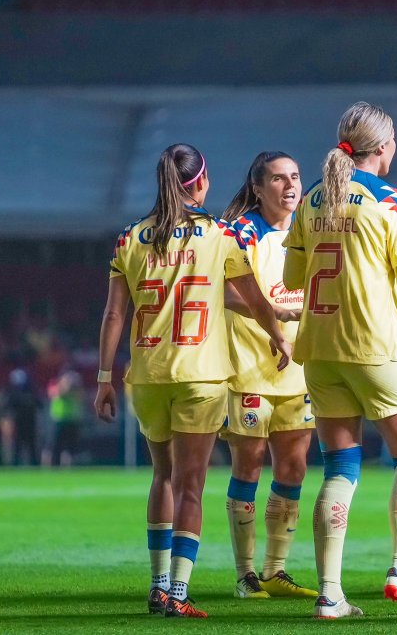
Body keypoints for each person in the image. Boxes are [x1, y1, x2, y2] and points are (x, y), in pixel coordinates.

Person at [282, 101, 397, 619]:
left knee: (339, 467)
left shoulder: (312, 199)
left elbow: (296, 281)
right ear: (384, 146)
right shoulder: (393, 203)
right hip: (375, 348)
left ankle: (329, 594)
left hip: (319, 351)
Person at [94, 143, 293, 618]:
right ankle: (178, 594)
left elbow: (114, 314)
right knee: (192, 485)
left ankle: (157, 584)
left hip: (147, 376)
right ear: (200, 182)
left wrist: (104, 378)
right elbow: (255, 297)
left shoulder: (130, 238)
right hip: (200, 376)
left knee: (162, 477)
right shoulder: (219, 235)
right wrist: (279, 336)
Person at [219, 151, 317, 600]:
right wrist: (272, 315)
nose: (290, 186)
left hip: (300, 369)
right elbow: (220, 290)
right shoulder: (241, 231)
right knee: (250, 465)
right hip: (251, 368)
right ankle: (245, 574)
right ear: (258, 189)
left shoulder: (310, 229)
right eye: (279, 179)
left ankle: (276, 570)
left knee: (294, 468)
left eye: (295, 177)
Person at [46, 369, 84, 466]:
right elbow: (56, 394)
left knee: (69, 449)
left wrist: (73, 388)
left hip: (71, 419)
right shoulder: (55, 385)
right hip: (58, 419)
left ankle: (67, 470)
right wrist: (65, 386)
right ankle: (48, 470)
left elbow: (80, 397)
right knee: (53, 447)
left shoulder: (76, 389)